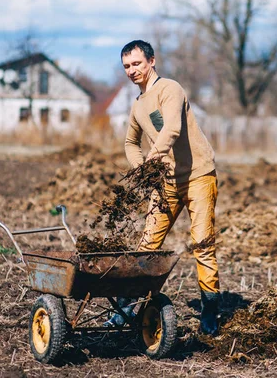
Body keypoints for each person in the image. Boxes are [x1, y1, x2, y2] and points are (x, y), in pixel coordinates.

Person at [109, 40, 221, 336]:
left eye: (137, 64)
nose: (132, 71)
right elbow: (129, 142)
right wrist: (141, 169)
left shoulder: (170, 89)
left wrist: (153, 156)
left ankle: (210, 310)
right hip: (166, 183)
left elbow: (172, 128)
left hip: (198, 176)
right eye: (127, 67)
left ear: (152, 61)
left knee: (202, 244)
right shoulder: (138, 105)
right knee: (146, 245)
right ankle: (125, 309)